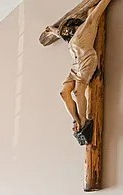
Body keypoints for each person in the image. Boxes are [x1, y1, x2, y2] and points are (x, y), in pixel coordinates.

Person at [48, 0, 114, 141]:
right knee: (64, 93)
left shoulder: (87, 26)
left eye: (68, 29)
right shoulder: (72, 38)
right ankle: (76, 120)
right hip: (75, 66)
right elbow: (61, 34)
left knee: (78, 92)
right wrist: (51, 30)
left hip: (86, 60)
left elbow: (97, 11)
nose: (67, 32)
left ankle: (83, 121)